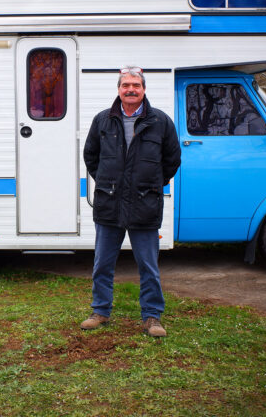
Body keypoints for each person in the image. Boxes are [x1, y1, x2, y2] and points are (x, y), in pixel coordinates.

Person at [80, 65, 181, 337]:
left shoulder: (160, 122)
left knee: (148, 266)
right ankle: (100, 311)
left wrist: (151, 183)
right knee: (102, 264)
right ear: (119, 90)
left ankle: (152, 317)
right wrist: (107, 180)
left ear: (144, 89)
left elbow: (172, 159)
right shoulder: (102, 120)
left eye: (136, 85)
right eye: (126, 85)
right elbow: (91, 156)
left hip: (144, 204)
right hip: (109, 203)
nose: (131, 90)